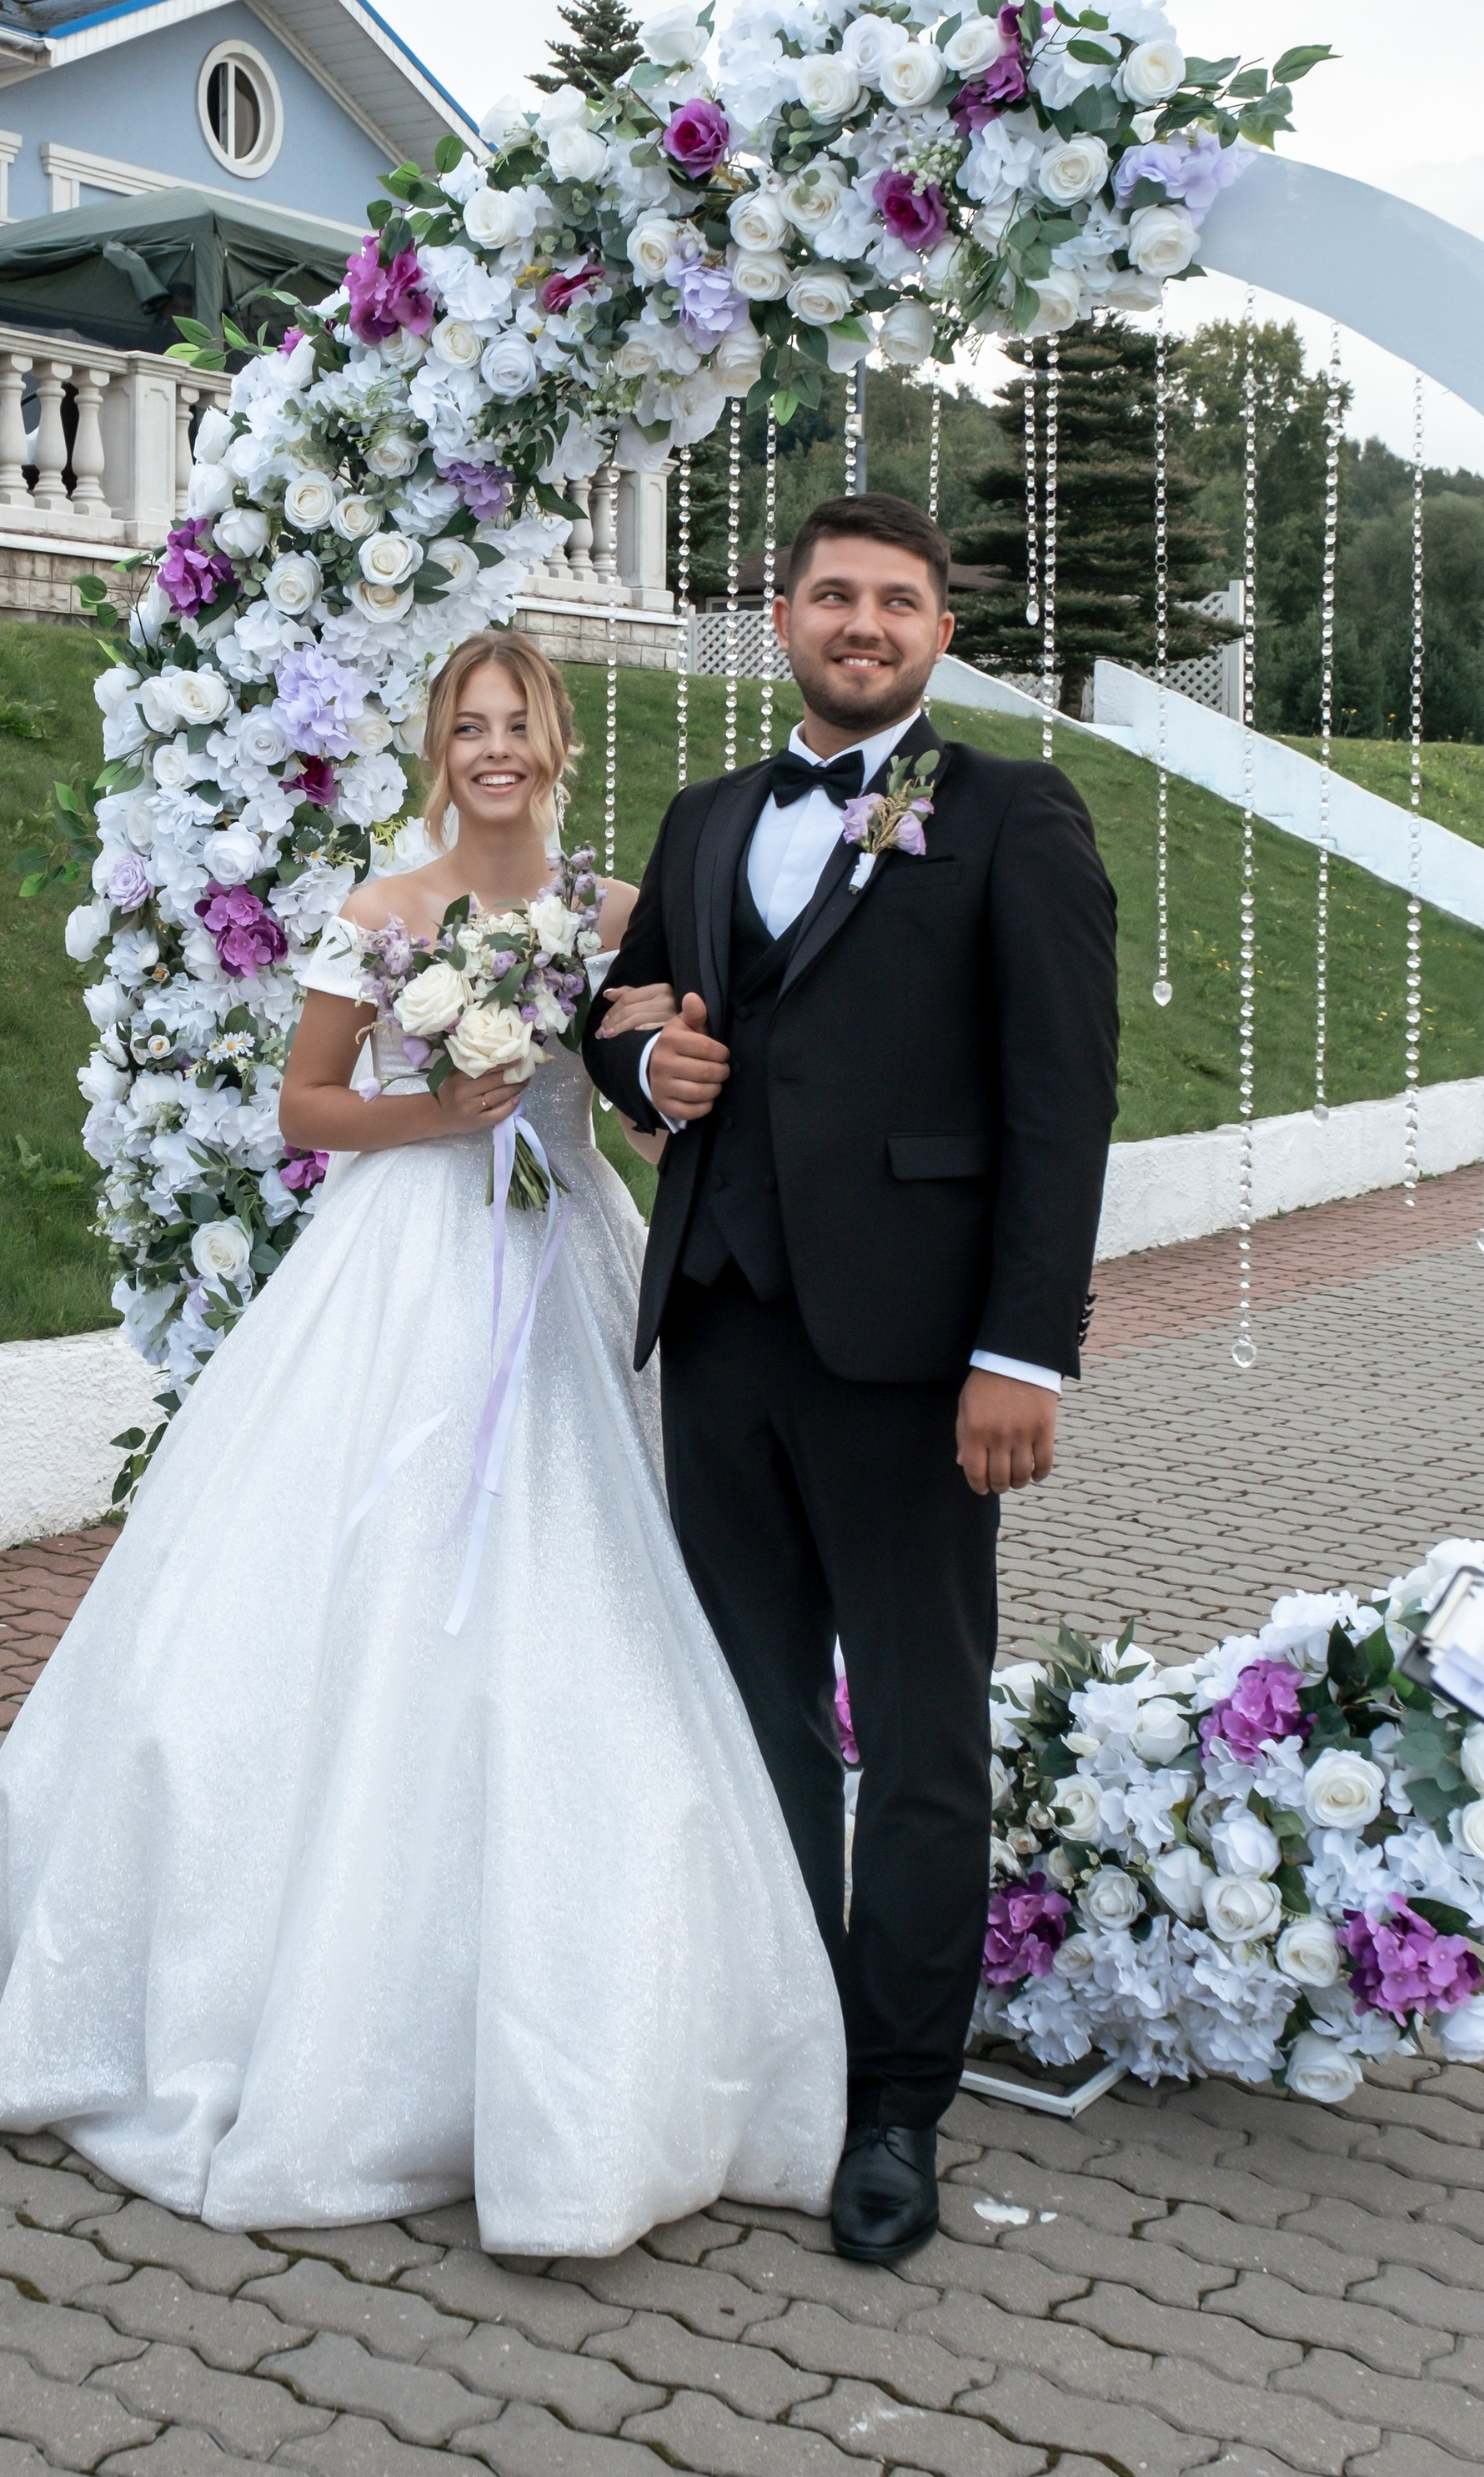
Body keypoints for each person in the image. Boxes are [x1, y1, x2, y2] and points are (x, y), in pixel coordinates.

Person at [0, 631, 844, 2256]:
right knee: (346, 1568)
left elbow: (633, 1093)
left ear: (554, 742)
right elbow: (305, 1105)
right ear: (437, 748)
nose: (493, 749)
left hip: (557, 1258)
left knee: (578, 1577)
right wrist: (433, 1114)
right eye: (467, 726)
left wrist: (645, 1104)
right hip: (402, 1260)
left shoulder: (617, 913)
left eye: (516, 723)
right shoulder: (386, 911)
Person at [585, 494, 1117, 2266]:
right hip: (720, 1323)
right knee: (749, 1712)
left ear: (938, 633)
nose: (863, 622)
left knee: (913, 1728)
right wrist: (645, 1072)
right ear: (782, 617)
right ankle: (781, 2042)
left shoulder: (1010, 812)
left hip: (913, 1354)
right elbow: (621, 1008)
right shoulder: (704, 814)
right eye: (834, 594)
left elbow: (1062, 1100)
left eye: (897, 599)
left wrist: (1021, 1352)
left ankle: (892, 2102)